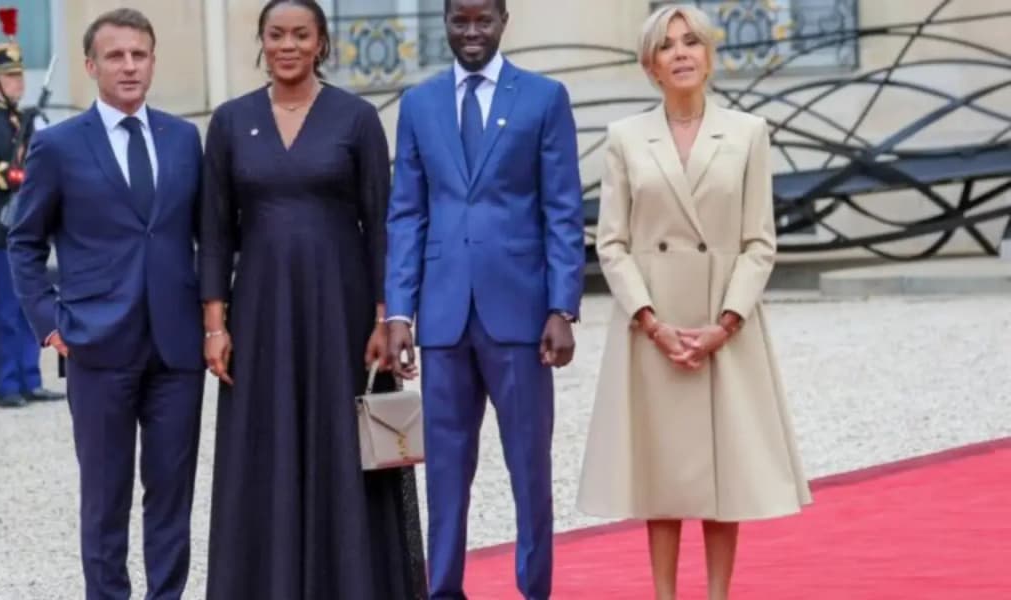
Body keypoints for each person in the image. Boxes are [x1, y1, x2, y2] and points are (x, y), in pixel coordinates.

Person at [575, 5, 812, 600]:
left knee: (722, 469)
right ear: (650, 66)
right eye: (666, 45)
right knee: (662, 471)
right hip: (653, 324)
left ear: (709, 56)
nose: (680, 53)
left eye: (691, 42)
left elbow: (760, 241)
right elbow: (612, 242)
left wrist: (726, 323)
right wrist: (651, 321)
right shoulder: (626, 138)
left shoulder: (749, 132)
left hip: (722, 322)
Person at [200, 1, 426, 598]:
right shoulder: (230, 121)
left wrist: (384, 316)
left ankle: (353, 581)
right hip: (261, 312)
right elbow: (215, 230)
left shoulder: (357, 118)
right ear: (261, 41)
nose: (288, 45)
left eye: (301, 34)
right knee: (264, 443)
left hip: (341, 312)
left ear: (321, 43)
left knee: (346, 445)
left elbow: (381, 225)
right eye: (276, 34)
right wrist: (215, 326)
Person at [385, 0, 585, 596]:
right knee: (445, 472)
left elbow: (563, 210)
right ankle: (444, 589)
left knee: (529, 467)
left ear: (503, 22)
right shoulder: (419, 104)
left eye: (483, 21)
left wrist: (562, 307)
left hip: (520, 315)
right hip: (443, 318)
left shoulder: (544, 98)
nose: (471, 32)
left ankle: (534, 589)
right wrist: (400, 311)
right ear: (444, 23)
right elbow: (407, 213)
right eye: (459, 20)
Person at [7, 9, 205, 599]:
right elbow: (24, 241)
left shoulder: (183, 139)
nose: (129, 66)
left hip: (177, 348)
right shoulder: (58, 146)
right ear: (91, 66)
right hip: (96, 344)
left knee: (172, 494)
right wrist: (48, 323)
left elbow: (208, 235)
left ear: (153, 61)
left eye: (139, 54)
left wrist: (215, 316)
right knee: (105, 497)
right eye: (115, 56)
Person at [0, 6, 64, 409]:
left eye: (20, 74)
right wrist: (24, 170)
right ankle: (7, 384)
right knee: (6, 308)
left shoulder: (28, 117)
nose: (18, 81)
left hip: (30, 224)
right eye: (9, 75)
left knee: (30, 305)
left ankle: (30, 378)